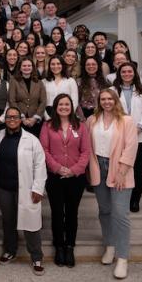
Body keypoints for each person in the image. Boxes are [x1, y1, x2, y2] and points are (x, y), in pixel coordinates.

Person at [86, 89, 138, 280]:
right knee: (105, 210)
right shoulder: (92, 120)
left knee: (120, 213)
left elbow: (131, 146)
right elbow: (88, 146)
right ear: (99, 102)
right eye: (103, 99)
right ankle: (110, 246)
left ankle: (123, 258)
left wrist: (122, 172)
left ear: (115, 101)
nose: (106, 102)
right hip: (98, 167)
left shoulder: (127, 120)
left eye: (110, 99)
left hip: (119, 169)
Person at [0, 107, 47, 275]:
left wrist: (38, 188)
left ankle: (36, 256)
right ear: (5, 119)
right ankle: (10, 251)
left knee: (31, 224)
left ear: (21, 120)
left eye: (15, 117)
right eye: (9, 117)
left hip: (27, 189)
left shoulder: (31, 140)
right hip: (3, 188)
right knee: (8, 221)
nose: (12, 119)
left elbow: (40, 164)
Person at [40, 94, 91, 268]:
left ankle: (69, 247)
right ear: (55, 107)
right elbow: (44, 150)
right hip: (55, 177)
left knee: (71, 213)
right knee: (56, 213)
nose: (64, 107)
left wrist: (74, 170)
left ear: (72, 107)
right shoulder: (47, 126)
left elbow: (86, 152)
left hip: (76, 178)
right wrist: (57, 168)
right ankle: (59, 247)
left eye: (67, 104)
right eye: (60, 104)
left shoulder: (81, 127)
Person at [112, 63, 142, 212]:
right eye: (124, 71)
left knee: (137, 169)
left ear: (134, 73)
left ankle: (135, 200)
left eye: (130, 71)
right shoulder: (113, 90)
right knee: (120, 167)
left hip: (139, 134)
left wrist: (140, 126)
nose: (127, 73)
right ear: (119, 73)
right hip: (119, 135)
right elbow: (109, 109)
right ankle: (122, 199)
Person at [8, 57, 46, 137]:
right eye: (24, 66)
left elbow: (43, 101)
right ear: (20, 68)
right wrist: (22, 117)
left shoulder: (39, 83)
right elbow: (12, 100)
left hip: (35, 121)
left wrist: (35, 118)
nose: (27, 67)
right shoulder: (14, 81)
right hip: (19, 120)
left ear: (32, 68)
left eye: (29, 66)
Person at [42, 55, 79, 120]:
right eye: (53, 64)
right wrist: (47, 118)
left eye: (58, 64)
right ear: (49, 66)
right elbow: (41, 102)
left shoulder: (71, 81)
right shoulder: (44, 82)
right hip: (48, 116)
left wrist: (67, 116)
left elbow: (74, 101)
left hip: (67, 117)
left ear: (63, 65)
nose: (55, 66)